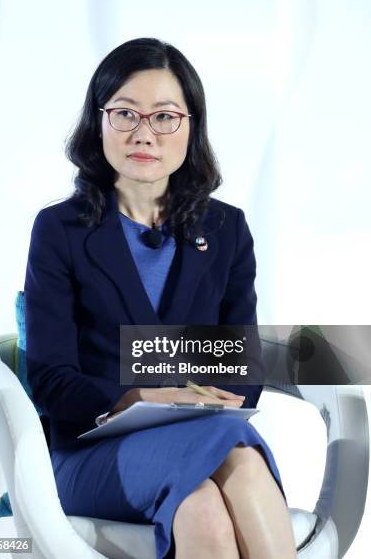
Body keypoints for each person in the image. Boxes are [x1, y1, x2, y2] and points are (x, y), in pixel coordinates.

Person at [24, 37, 296, 559]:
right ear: (98, 122)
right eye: (125, 113)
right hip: (94, 453)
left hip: (203, 437)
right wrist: (131, 398)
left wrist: (199, 397)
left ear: (191, 127)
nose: (144, 133)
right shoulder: (59, 229)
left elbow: (243, 365)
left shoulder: (227, 229)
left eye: (165, 117)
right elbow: (50, 379)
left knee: (209, 501)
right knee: (231, 464)